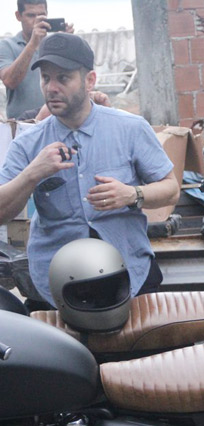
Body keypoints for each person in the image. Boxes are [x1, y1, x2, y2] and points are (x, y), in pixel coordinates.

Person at [0, 33, 179, 310]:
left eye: (63, 78)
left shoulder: (130, 128)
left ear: (90, 80)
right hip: (56, 285)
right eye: (46, 78)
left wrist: (132, 194)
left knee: (147, 354)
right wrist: (32, 174)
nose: (52, 88)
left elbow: (171, 189)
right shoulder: (28, 143)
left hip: (130, 273)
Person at [0, 0, 75, 119]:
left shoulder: (55, 45)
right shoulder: (6, 46)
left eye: (41, 15)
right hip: (22, 124)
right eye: (31, 15)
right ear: (18, 16)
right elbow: (10, 81)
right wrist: (33, 43)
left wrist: (66, 43)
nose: (36, 21)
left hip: (56, 120)